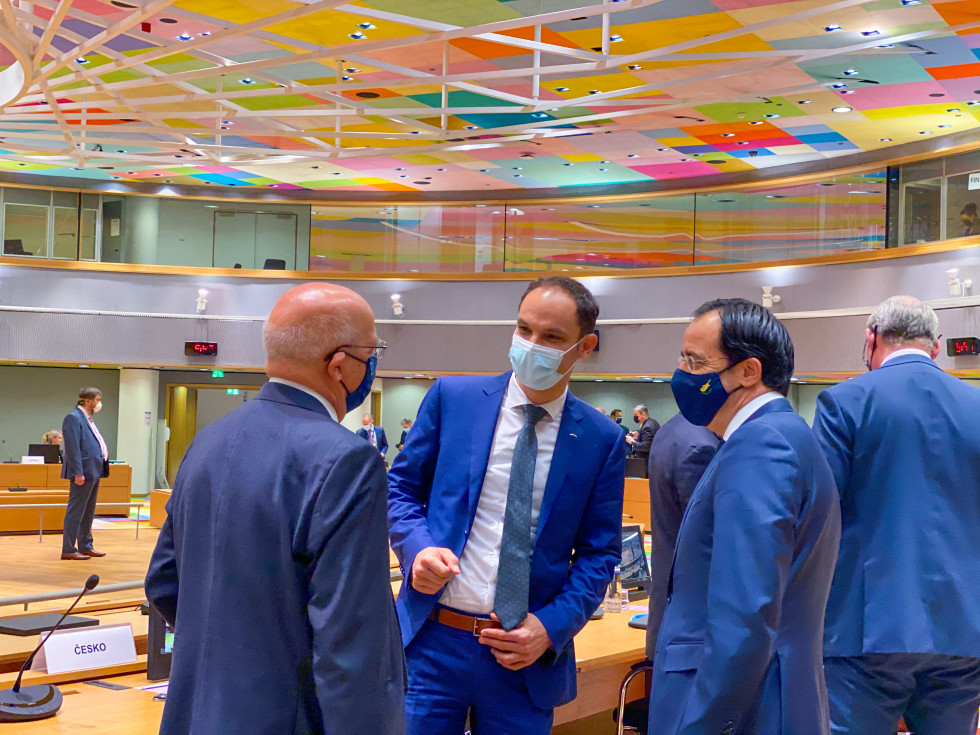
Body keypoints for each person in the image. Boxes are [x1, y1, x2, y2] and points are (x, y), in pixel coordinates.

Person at [145, 283, 405, 735]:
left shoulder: (208, 440)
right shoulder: (346, 459)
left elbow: (164, 582)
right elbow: (351, 644)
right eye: (373, 350)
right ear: (340, 365)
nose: (374, 359)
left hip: (194, 714)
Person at [388, 276, 625, 735]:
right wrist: (416, 550)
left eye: (552, 337)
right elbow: (400, 490)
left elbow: (600, 554)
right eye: (524, 329)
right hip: (432, 640)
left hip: (524, 657)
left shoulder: (601, 439)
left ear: (584, 346)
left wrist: (551, 627)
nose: (531, 345)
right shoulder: (452, 399)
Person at [648, 298, 840, 735]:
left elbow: (744, 616)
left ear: (748, 372)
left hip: (743, 710)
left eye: (695, 362)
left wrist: (701, 725)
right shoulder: (783, 436)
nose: (681, 373)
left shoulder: (761, 446)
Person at [813, 295, 980, 735]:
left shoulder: (844, 402)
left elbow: (817, 516)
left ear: (871, 338)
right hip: (965, 629)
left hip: (864, 628)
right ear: (937, 346)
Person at [645, 413, 720, 660]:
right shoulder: (703, 447)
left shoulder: (671, 429)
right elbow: (708, 542)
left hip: (670, 616)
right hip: (696, 630)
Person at [60, 387, 109, 561]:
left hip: (94, 470)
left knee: (89, 511)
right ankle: (68, 549)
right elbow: (72, 448)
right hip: (83, 472)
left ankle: (85, 545)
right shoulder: (73, 418)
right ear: (87, 401)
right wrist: (78, 472)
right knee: (76, 511)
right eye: (96, 400)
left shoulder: (87, 419)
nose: (98, 403)